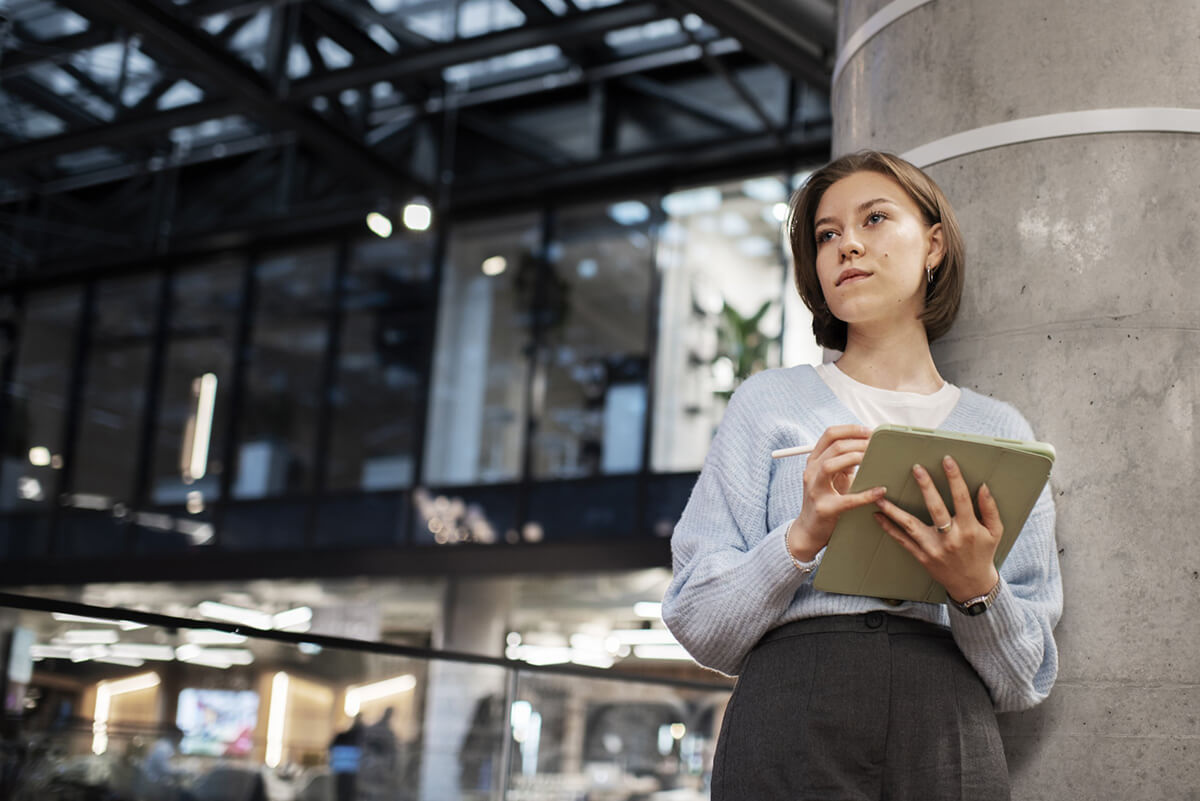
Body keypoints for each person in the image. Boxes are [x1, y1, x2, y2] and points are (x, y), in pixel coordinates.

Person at [661, 150, 1062, 800]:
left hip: (948, 724)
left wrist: (975, 588)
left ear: (933, 245)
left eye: (874, 218)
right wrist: (800, 537)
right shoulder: (767, 404)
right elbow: (699, 624)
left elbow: (1025, 679)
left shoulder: (1001, 432)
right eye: (827, 234)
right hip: (791, 711)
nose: (847, 243)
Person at [329, 715, 364, 801]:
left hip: (341, 768)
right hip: (353, 770)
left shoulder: (342, 736)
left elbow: (331, 748)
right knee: (349, 794)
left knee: (341, 793)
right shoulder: (360, 736)